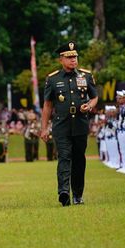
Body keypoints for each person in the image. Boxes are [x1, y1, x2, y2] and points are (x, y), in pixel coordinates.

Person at [40, 41, 98, 206]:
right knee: (64, 157)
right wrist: (44, 128)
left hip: (80, 123)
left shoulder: (86, 76)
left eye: (75, 56)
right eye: (69, 57)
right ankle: (64, 192)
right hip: (61, 124)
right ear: (61, 60)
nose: (73, 60)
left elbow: (94, 97)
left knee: (79, 159)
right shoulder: (53, 79)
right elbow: (48, 105)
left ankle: (78, 194)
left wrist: (90, 105)